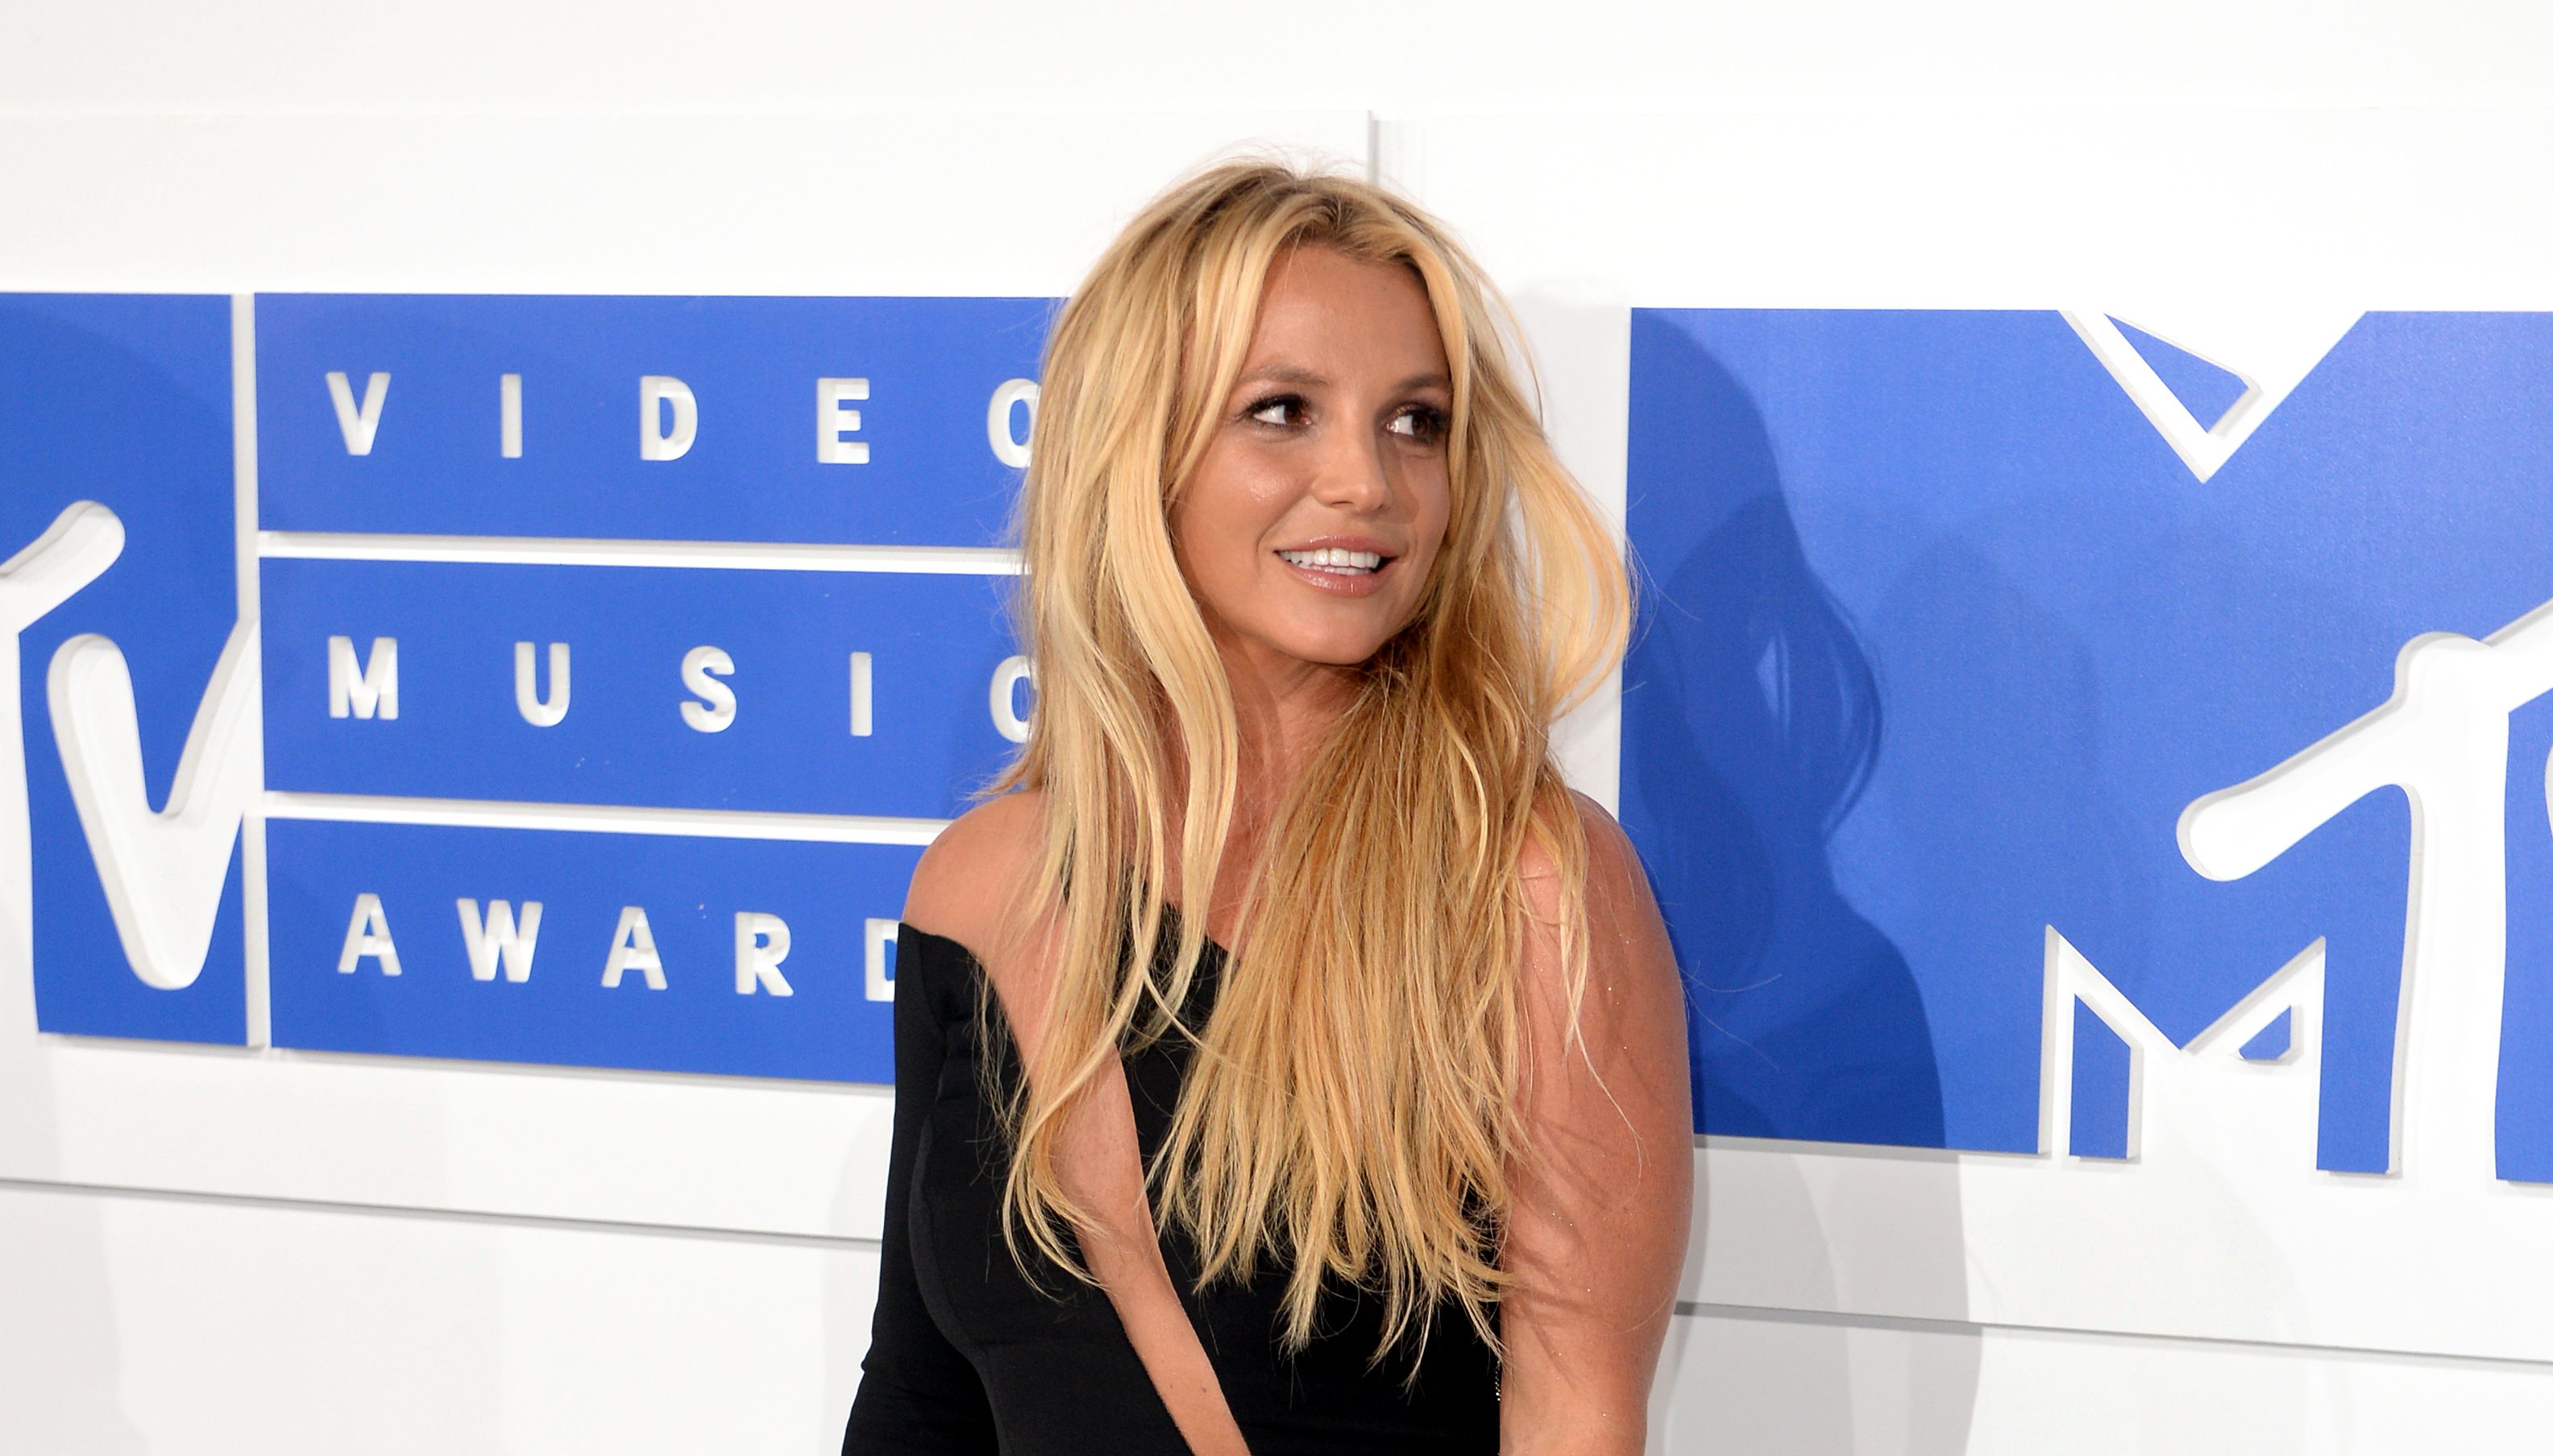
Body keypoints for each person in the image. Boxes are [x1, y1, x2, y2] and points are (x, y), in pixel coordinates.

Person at [842, 160, 1689, 1455]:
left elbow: (1575, 1417)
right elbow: (920, 1398)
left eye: (1417, 422)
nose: (1366, 480)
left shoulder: (1524, 886)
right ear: (1138, 447)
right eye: (1283, 410)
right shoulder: (983, 882)